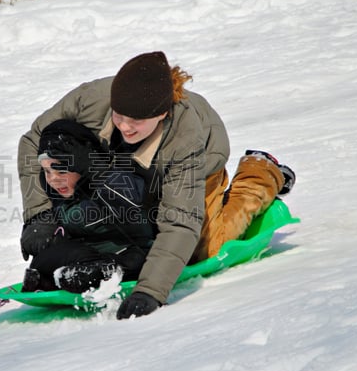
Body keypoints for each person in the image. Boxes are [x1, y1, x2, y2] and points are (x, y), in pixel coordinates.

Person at [18, 51, 295, 319]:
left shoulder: (186, 141)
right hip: (125, 161)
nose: (125, 126)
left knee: (199, 250)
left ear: (161, 114)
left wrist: (151, 290)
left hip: (199, 163)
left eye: (136, 120)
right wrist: (38, 214)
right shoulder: (91, 99)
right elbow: (33, 140)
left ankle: (260, 172)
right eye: (119, 116)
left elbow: (180, 223)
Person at [21, 119, 153, 294]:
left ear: (82, 165)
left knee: (130, 260)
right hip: (89, 255)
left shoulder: (115, 177)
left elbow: (132, 203)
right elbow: (64, 222)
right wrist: (42, 225)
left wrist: (95, 169)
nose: (53, 179)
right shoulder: (61, 192)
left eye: (61, 170)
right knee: (43, 260)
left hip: (135, 253)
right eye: (47, 171)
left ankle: (93, 274)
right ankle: (55, 278)